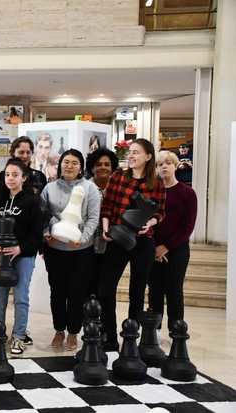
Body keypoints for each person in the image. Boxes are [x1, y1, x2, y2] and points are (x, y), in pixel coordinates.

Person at [98, 138, 166, 351]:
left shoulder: (156, 182)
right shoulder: (118, 176)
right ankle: (109, 336)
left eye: (137, 152)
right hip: (117, 239)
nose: (132, 155)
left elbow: (161, 212)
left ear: (148, 156)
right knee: (105, 289)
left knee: (137, 291)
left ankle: (130, 337)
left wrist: (151, 222)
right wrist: (106, 228)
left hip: (143, 241)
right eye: (130, 152)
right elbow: (107, 205)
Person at [0, 159, 43, 355]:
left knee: (21, 297)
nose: (10, 178)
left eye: (15, 175)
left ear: (23, 178)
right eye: (7, 174)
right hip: (1, 258)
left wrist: (20, 248)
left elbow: (37, 234)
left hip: (23, 256)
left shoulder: (32, 201)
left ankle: (19, 337)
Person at [41, 149, 101, 350]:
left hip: (81, 250)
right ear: (60, 165)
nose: (69, 166)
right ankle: (59, 330)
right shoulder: (49, 188)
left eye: (75, 163)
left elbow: (93, 218)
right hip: (55, 249)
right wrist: (47, 232)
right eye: (66, 162)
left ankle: (74, 332)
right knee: (57, 292)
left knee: (77, 292)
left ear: (81, 167)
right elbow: (43, 213)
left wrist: (82, 239)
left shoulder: (90, 188)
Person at [148, 150, 197, 332]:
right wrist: (154, 247)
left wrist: (166, 247)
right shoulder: (152, 192)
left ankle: (176, 330)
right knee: (154, 290)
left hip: (177, 250)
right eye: (160, 164)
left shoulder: (188, 193)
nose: (164, 167)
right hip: (152, 248)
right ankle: (154, 331)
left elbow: (187, 227)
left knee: (174, 290)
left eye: (168, 163)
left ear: (175, 166)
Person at [85, 148, 119, 296]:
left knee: (107, 290)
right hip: (87, 245)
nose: (103, 167)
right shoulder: (84, 188)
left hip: (112, 246)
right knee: (87, 286)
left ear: (112, 168)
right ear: (92, 168)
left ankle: (107, 320)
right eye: (99, 164)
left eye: (107, 164)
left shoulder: (119, 189)